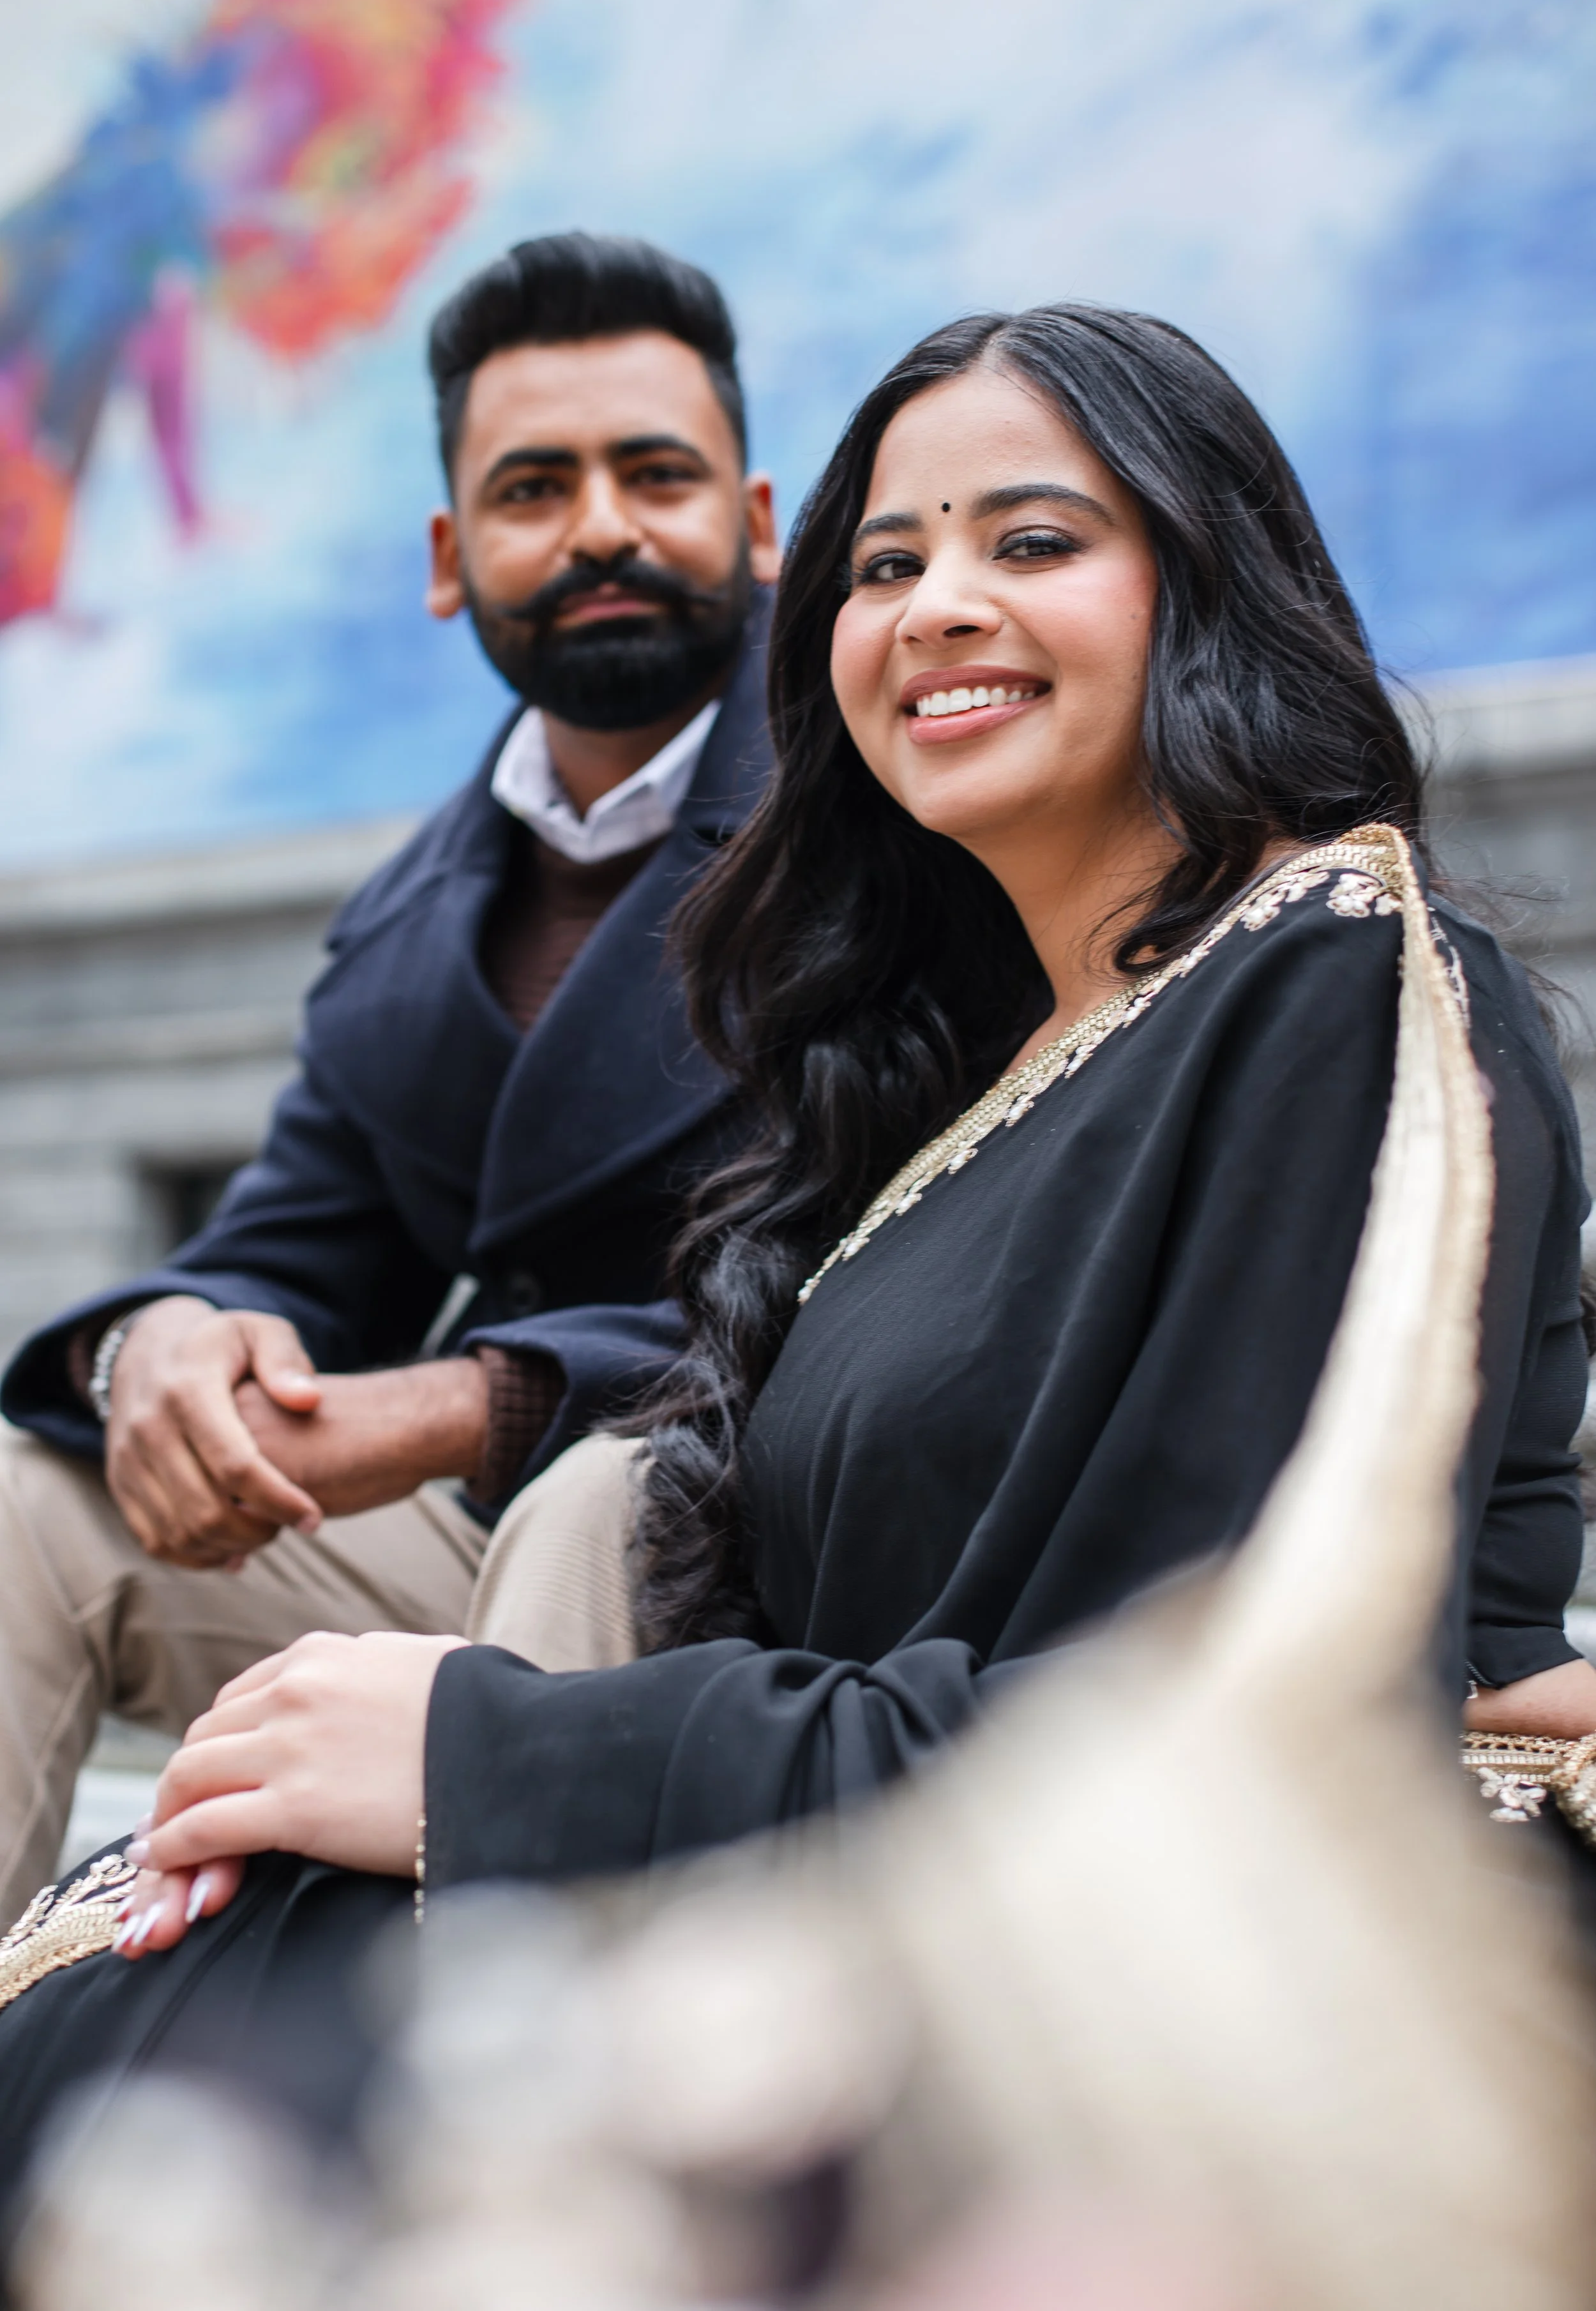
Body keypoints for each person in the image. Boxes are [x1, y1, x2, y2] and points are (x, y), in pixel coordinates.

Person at [3, 302, 1594, 2198]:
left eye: (1030, 541)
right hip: (807, 1811)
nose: (932, 607)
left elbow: (1178, 1714)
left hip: (1085, 1962)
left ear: (1208, 575)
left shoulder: (1320, 975)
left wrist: (486, 1756)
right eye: (884, 565)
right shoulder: (957, 1043)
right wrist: (189, 1354)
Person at [0, 232, 781, 1921]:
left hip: (813, 1552)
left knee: (592, 1503)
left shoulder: (898, 809)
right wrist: (167, 1344)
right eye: (533, 486)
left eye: (655, 472)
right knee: (22, 1502)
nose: (598, 528)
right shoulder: (410, 923)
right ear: (451, 555)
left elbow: (912, 1248)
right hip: (502, 1559)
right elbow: (295, 1250)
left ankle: (468, 2151)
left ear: (761, 522)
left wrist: (466, 1402)